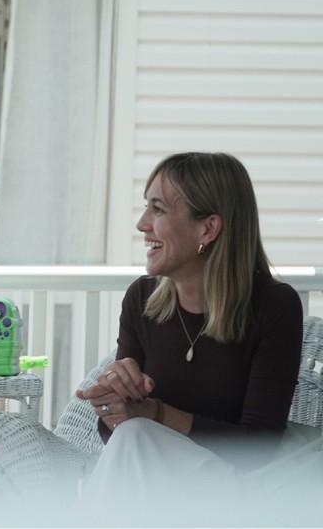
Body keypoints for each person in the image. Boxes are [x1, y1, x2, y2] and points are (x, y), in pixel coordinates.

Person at [75, 152, 307, 524]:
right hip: (151, 487)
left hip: (238, 490)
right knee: (133, 435)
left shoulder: (274, 306)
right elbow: (114, 433)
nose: (141, 224)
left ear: (208, 229)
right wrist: (112, 404)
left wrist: (156, 414)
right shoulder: (142, 299)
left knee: (136, 436)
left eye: (159, 210)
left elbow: (259, 447)